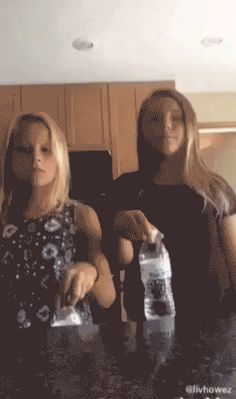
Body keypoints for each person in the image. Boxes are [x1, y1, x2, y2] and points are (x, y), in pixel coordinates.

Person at [108, 89, 236, 337]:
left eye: (176, 118)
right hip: (149, 325)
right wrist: (119, 227)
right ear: (141, 128)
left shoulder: (216, 188)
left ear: (190, 125)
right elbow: (122, 260)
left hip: (215, 323)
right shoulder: (126, 188)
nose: (166, 126)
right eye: (154, 119)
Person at [0, 111, 115, 356]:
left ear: (60, 156)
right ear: (10, 157)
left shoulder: (81, 216)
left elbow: (108, 296)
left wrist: (90, 272)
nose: (36, 158)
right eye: (24, 150)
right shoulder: (2, 217)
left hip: (70, 351)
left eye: (46, 150)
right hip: (10, 353)